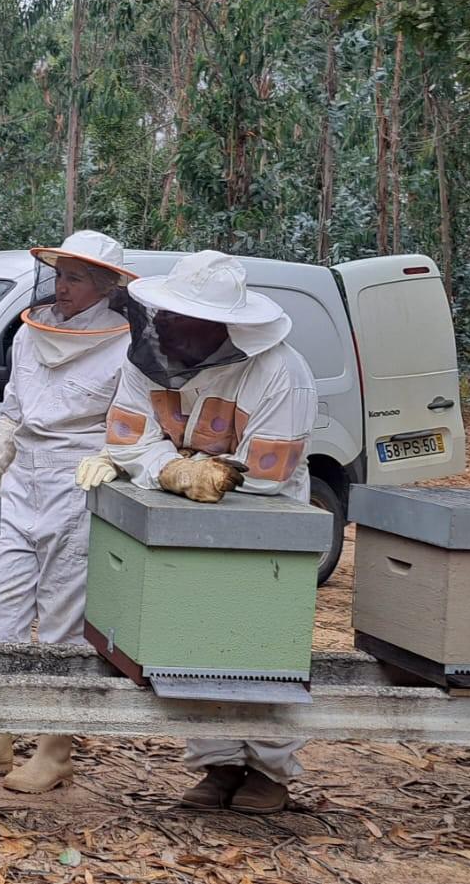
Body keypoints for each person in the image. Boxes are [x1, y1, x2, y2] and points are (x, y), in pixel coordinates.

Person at [89, 250, 318, 815]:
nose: (161, 324)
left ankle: (270, 771)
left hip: (267, 531)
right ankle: (217, 763)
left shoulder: (280, 372)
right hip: (179, 518)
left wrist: (198, 472)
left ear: (220, 326)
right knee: (193, 640)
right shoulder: (147, 361)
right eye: (161, 312)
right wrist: (174, 470)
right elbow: (127, 440)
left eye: (177, 315)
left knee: (262, 645)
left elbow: (266, 474)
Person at [0, 231, 135, 793]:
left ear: (104, 286)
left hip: (79, 483)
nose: (61, 287)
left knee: (62, 623)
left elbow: (131, 428)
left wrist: (110, 462)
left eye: (74, 278)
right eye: (60, 275)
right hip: (24, 479)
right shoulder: (30, 333)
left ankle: (54, 749)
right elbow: (13, 414)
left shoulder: (126, 346)